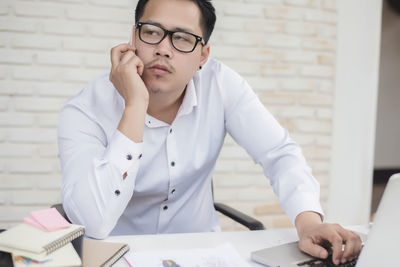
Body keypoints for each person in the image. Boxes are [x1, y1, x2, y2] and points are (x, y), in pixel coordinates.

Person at [58, 0, 362, 264]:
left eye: (183, 38)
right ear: (133, 37)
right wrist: (136, 105)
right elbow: (93, 223)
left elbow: (279, 153)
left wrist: (308, 222)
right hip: (118, 255)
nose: (163, 49)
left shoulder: (221, 85)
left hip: (202, 253)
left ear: (203, 56)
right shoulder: (84, 110)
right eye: (151, 32)